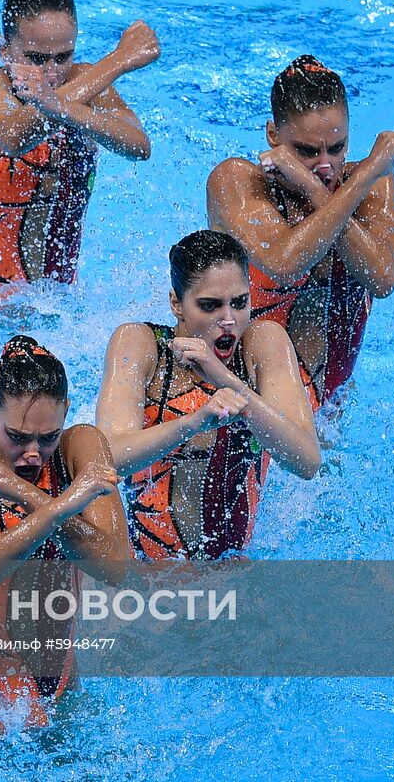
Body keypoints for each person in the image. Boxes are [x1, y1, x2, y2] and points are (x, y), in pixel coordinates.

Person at [0, 336, 129, 728]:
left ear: (65, 414)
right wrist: (62, 505)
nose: (33, 453)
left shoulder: (81, 445)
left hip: (62, 704)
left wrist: (24, 492)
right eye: (16, 437)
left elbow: (117, 567)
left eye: (47, 437)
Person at [95, 231, 320, 560]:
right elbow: (108, 459)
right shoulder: (141, 345)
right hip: (150, 573)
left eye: (240, 302)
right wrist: (194, 423)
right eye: (210, 306)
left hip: (234, 571)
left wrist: (226, 380)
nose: (228, 320)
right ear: (177, 304)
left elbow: (307, 460)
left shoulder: (263, 343)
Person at [207, 55, 394, 407]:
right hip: (239, 394)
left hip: (327, 403)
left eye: (337, 148)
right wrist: (364, 176)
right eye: (306, 151)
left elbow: (383, 278)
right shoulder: (238, 181)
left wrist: (313, 189)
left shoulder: (371, 186)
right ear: (273, 135)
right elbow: (284, 260)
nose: (325, 165)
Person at [0, 0, 159, 293]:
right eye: (35, 58)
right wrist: (118, 60)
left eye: (64, 57)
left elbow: (139, 145)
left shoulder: (85, 81)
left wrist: (63, 106)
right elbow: (13, 136)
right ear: (4, 49)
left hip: (61, 305)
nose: (51, 72)